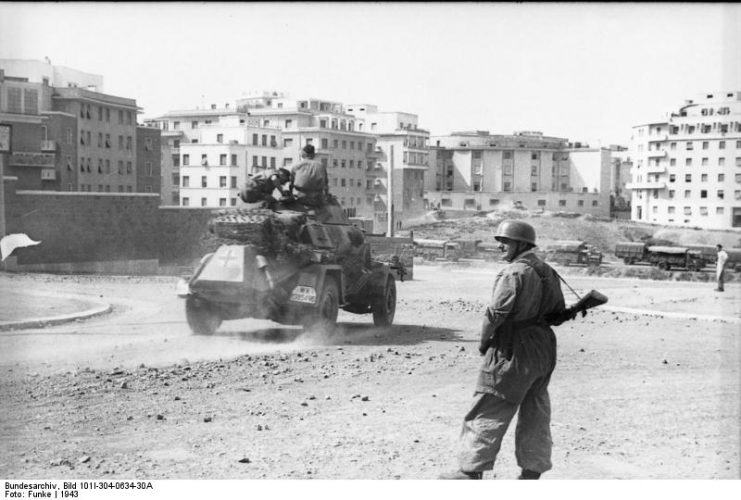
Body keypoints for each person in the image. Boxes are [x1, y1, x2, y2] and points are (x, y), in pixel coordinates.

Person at [439, 220, 566, 480]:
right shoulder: (547, 271)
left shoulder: (514, 273)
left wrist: (484, 342)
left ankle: (470, 471)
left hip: (513, 347)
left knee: (489, 404)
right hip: (543, 348)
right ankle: (533, 470)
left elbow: (495, 315)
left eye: (504, 242)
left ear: (521, 244)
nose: (499, 247)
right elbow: (557, 314)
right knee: (536, 407)